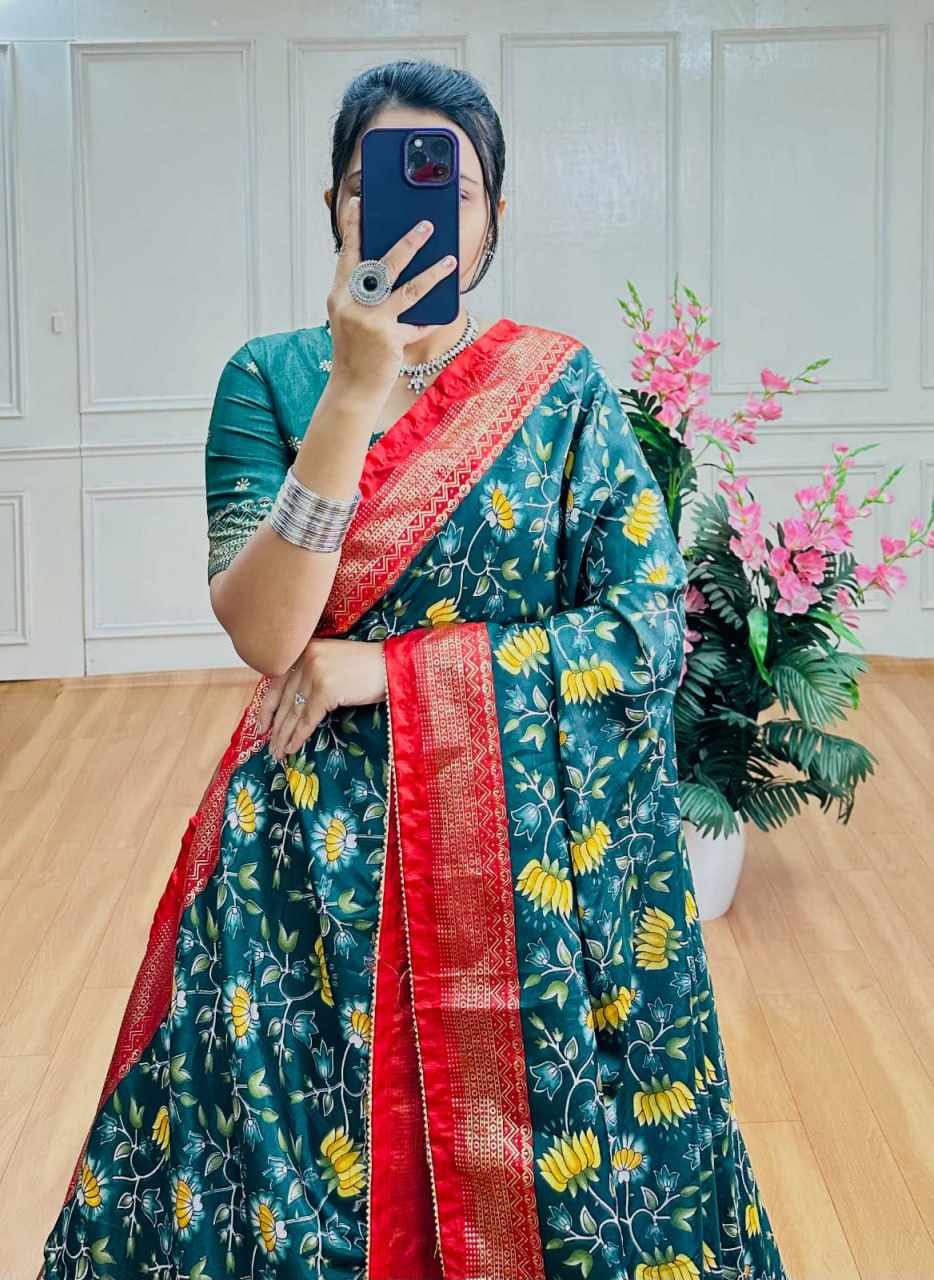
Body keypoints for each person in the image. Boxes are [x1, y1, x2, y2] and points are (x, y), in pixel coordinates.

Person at [39, 60, 789, 1280]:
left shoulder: (558, 390)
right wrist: (353, 390)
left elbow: (644, 629)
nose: (414, 211)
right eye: (372, 183)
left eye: (457, 187)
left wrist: (394, 670)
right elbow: (267, 635)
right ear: (333, 206)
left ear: (495, 218)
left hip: (531, 861)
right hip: (307, 863)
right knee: (304, 1178)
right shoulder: (271, 377)